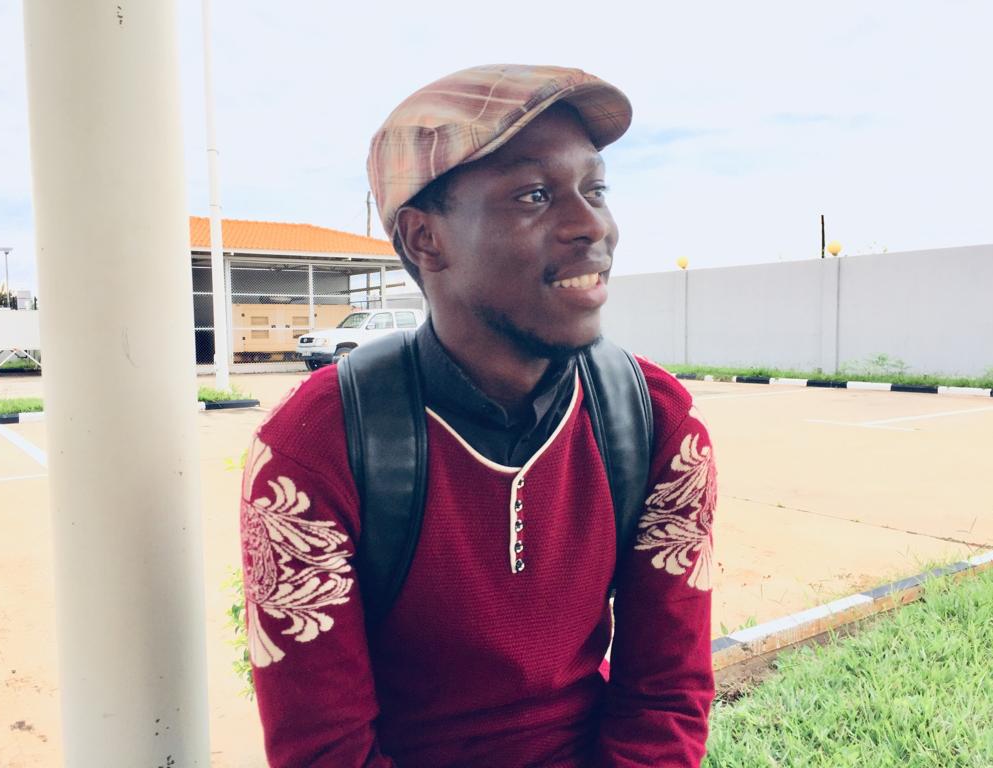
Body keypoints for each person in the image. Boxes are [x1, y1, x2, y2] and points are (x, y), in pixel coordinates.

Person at [239, 63, 717, 768]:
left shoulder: (658, 423)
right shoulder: (314, 450)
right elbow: (325, 750)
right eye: (534, 195)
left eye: (595, 189)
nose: (592, 225)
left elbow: (665, 695)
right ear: (425, 239)